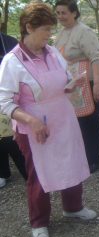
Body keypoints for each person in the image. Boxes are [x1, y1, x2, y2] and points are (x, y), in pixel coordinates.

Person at [0, 2, 97, 237]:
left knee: (71, 162)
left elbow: (62, 78)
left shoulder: (52, 52)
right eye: (45, 30)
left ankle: (73, 207)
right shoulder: (12, 62)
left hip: (63, 119)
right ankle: (39, 222)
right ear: (29, 28)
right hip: (35, 127)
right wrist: (31, 120)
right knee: (39, 174)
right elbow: (4, 101)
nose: (50, 35)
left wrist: (70, 84)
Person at [55, 0, 99, 173]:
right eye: (58, 13)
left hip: (89, 81)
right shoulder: (61, 34)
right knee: (77, 121)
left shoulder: (84, 31)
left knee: (90, 121)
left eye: (64, 12)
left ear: (74, 13)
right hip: (73, 84)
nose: (60, 16)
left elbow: (96, 58)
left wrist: (97, 84)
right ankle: (82, 155)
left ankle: (94, 159)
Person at [0, 16, 27, 188]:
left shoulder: (9, 42)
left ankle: (27, 171)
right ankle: (2, 172)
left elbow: (21, 68)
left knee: (10, 135)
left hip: (7, 95)